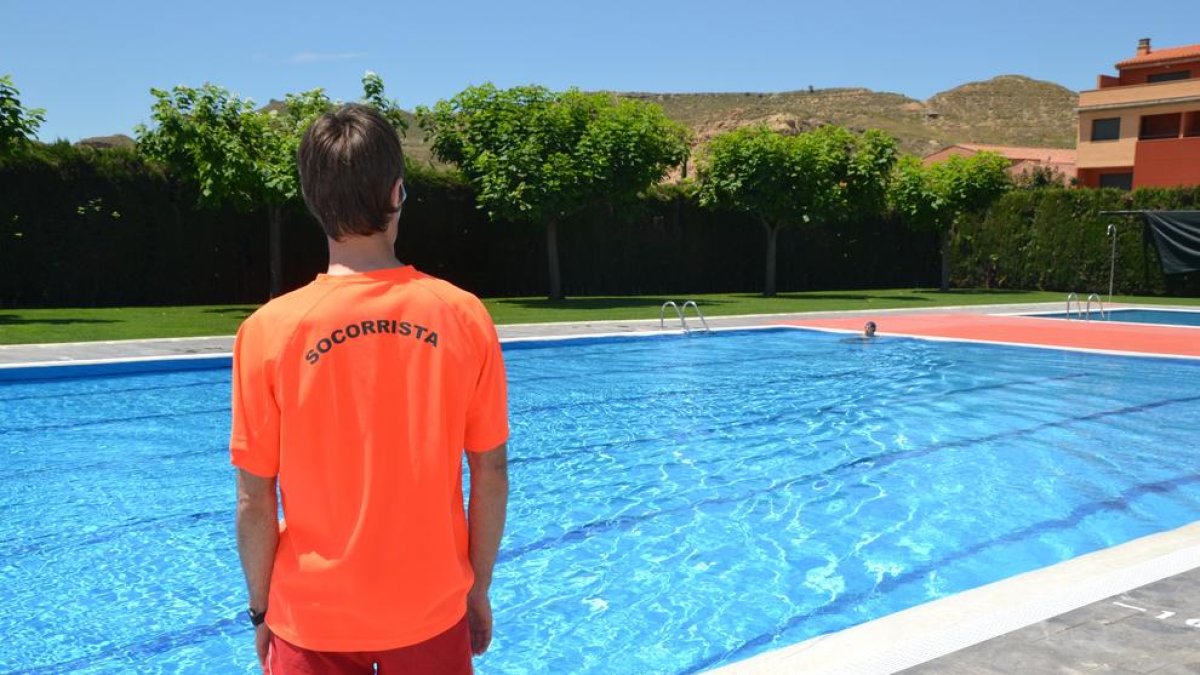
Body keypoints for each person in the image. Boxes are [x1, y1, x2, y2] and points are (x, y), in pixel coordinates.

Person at [230, 103, 509, 674]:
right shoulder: (462, 315)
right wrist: (477, 588)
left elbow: (254, 501)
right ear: (398, 193)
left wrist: (263, 611)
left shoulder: (268, 331)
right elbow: (490, 471)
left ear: (311, 199)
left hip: (311, 618)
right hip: (430, 611)